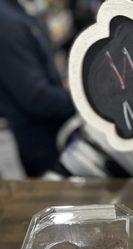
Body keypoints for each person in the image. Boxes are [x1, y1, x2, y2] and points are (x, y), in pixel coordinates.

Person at [0, 0, 75, 176]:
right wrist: (84, 102)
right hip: (38, 144)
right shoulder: (7, 22)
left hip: (47, 135)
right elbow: (36, 97)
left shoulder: (17, 13)